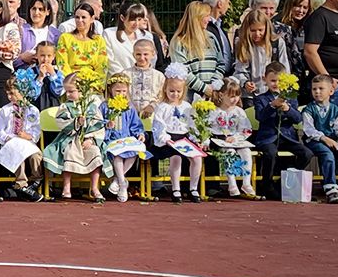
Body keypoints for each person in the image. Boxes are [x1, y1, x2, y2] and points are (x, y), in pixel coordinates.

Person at [253, 62, 313, 201]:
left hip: (287, 137)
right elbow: (260, 116)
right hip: (268, 138)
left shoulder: (291, 97)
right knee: (271, 153)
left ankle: (283, 181)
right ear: (265, 79)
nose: (276, 84)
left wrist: (288, 109)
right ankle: (267, 184)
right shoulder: (260, 98)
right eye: (273, 80)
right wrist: (272, 106)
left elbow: (298, 119)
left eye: (279, 81)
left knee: (307, 153)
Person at [43, 73, 106, 201]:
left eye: (71, 91)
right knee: (69, 152)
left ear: (82, 90)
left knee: (96, 152)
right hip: (70, 138)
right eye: (66, 92)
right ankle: (66, 187)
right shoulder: (65, 107)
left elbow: (98, 124)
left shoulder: (92, 106)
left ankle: (94, 188)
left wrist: (90, 138)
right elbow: (61, 122)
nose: (68, 95)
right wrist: (76, 123)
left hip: (88, 140)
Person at [152, 64, 205, 203]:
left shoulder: (187, 107)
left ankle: (193, 188)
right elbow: (158, 125)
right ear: (165, 89)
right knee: (176, 157)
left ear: (183, 91)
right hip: (169, 139)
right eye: (172, 91)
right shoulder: (162, 107)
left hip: (184, 137)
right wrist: (166, 138)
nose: (175, 94)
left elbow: (192, 124)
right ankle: (176, 189)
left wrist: (196, 138)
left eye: (178, 91)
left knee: (197, 157)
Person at [302, 74, 338, 204]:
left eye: (321, 88)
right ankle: (330, 188)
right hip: (315, 141)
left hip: (333, 140)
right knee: (328, 155)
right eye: (314, 89)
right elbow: (309, 130)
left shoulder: (335, 110)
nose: (317, 92)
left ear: (331, 91)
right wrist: (324, 138)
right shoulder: (308, 109)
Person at [208, 78, 259, 200]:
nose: (234, 99)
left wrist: (236, 137)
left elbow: (246, 129)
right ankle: (232, 184)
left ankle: (246, 183)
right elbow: (208, 127)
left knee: (246, 151)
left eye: (237, 96)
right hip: (219, 140)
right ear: (222, 95)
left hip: (236, 139)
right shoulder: (214, 110)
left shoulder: (239, 111)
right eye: (231, 96)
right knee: (229, 152)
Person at [101, 74, 148, 203]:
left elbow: (135, 125)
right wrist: (107, 124)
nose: (121, 94)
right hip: (111, 139)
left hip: (126, 139)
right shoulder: (105, 106)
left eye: (123, 91)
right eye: (117, 91)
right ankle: (122, 183)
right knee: (118, 156)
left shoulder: (130, 108)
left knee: (133, 153)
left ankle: (118, 180)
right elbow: (99, 123)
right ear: (110, 90)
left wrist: (140, 133)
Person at [0, 78, 44, 202]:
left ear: (22, 92)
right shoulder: (5, 110)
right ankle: (21, 184)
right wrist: (9, 138)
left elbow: (36, 130)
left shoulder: (32, 110)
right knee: (17, 153)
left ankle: (36, 180)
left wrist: (29, 136)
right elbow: (0, 132)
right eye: (7, 94)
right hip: (11, 142)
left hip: (27, 142)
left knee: (36, 155)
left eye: (12, 93)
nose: (9, 97)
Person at [231, 9, 288, 104]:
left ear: (267, 28)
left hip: (273, 93)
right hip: (250, 96)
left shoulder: (277, 43)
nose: (257, 34)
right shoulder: (242, 44)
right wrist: (245, 83)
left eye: (260, 30)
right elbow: (239, 70)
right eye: (253, 30)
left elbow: (285, 68)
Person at [170, 1, 220, 100]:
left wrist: (215, 85)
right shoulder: (179, 42)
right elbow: (182, 71)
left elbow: (220, 63)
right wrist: (204, 88)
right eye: (206, 16)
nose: (209, 19)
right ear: (197, 17)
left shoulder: (211, 38)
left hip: (214, 93)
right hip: (191, 96)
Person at [55, 2, 108, 81]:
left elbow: (102, 65)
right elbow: (62, 64)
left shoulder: (99, 40)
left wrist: (95, 83)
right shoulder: (65, 38)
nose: (80, 20)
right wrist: (72, 81)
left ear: (92, 19)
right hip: (71, 83)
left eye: (83, 17)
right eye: (77, 17)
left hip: (93, 83)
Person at [104, 2, 152, 76]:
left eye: (139, 19)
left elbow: (151, 59)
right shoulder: (109, 34)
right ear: (122, 18)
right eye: (132, 20)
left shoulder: (147, 36)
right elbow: (110, 61)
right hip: (118, 81)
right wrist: (124, 78)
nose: (136, 23)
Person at [17, 0, 59, 70]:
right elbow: (9, 60)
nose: (36, 13)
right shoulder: (20, 30)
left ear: (48, 12)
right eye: (34, 9)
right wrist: (22, 58)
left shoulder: (55, 34)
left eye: (41, 9)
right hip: (24, 74)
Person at [128, 39, 165, 119]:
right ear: (133, 54)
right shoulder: (125, 74)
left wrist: (152, 106)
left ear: (153, 54)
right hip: (130, 115)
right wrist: (130, 107)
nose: (142, 58)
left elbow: (162, 96)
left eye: (145, 54)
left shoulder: (159, 76)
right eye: (138, 54)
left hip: (152, 116)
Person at [202, 0, 233, 76]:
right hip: (213, 77)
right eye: (227, 2)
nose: (228, 6)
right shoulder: (205, 27)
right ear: (220, 4)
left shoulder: (219, 26)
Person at [30, 41, 64, 110]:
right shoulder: (31, 72)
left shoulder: (58, 73)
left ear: (53, 56)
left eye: (49, 56)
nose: (45, 59)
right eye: (42, 55)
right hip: (36, 107)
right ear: (36, 55)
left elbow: (58, 92)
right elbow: (31, 95)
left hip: (53, 107)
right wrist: (40, 77)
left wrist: (53, 75)